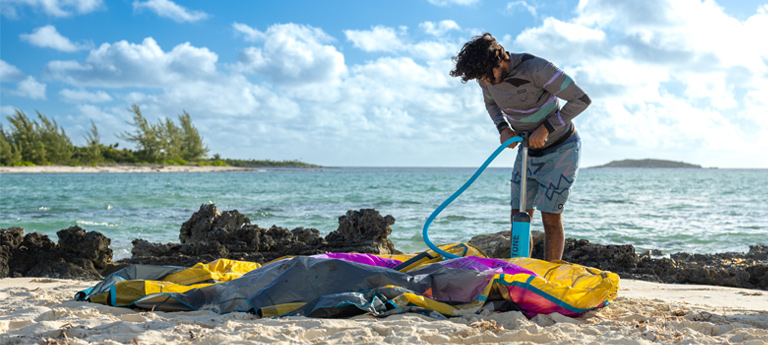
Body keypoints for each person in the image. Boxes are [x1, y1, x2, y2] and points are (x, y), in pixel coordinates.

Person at [450, 33, 591, 261]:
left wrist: (546, 128)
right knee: (519, 217)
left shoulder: (537, 69)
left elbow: (581, 99)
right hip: (526, 151)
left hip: (562, 149)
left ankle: (550, 279)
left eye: (488, 75)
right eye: (480, 78)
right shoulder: (485, 78)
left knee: (551, 218)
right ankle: (520, 273)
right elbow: (491, 103)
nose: (485, 81)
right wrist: (502, 128)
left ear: (500, 59)